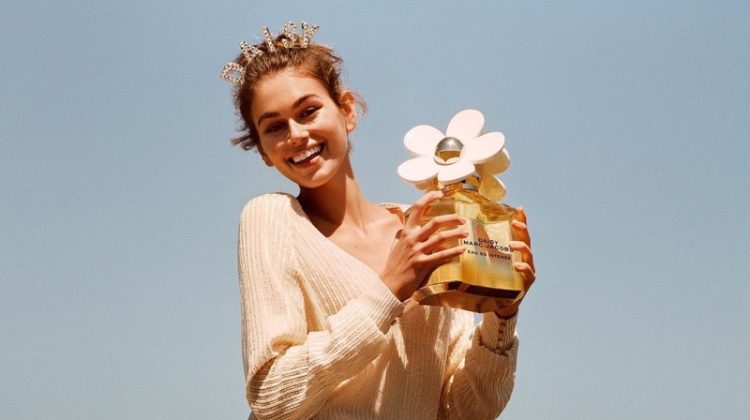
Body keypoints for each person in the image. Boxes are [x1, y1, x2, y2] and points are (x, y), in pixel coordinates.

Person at [222, 22, 536, 419]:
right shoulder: (274, 218)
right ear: (264, 151)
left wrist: (501, 314)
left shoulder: (422, 231)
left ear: (347, 110)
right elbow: (271, 396)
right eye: (274, 127)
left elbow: (466, 410)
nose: (297, 134)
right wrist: (389, 290)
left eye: (309, 111)